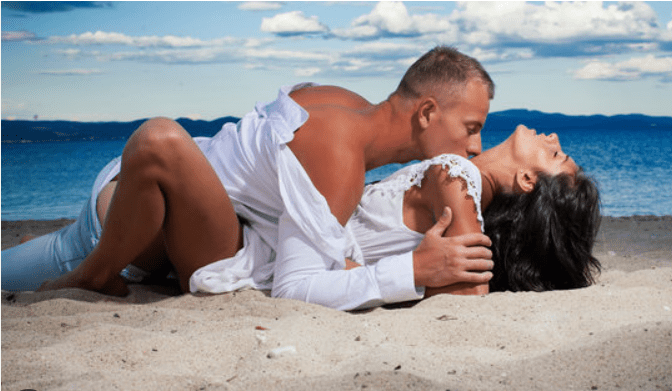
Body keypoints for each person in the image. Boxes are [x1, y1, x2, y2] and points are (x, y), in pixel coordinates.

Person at [1, 46, 495, 311]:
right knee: (162, 138)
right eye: (471, 129)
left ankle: (49, 254)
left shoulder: (342, 102)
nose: (475, 148)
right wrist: (411, 272)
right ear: (428, 112)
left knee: (18, 266)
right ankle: (90, 274)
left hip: (122, 210)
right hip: (130, 237)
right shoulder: (339, 154)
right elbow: (296, 289)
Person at [344, 124, 601, 296]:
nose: (553, 138)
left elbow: (472, 293)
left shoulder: (459, 176)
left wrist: (415, 274)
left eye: (555, 154)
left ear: (527, 180)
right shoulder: (465, 190)